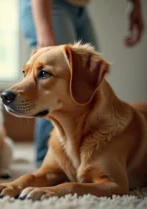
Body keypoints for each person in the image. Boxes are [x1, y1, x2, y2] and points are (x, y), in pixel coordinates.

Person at [19, 0, 144, 166]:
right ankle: (47, 163)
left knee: (89, 83)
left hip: (81, 8)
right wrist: (45, 34)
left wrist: (136, 6)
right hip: (47, 4)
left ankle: (93, 160)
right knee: (51, 83)